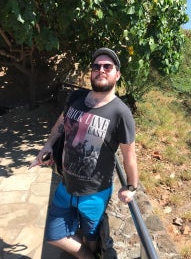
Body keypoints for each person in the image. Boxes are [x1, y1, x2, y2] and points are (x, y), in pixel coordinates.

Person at [30, 47, 139, 259]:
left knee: (91, 238)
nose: (101, 70)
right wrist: (48, 145)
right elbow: (60, 124)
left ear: (117, 74)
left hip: (95, 194)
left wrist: (131, 186)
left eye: (108, 67)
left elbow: (129, 156)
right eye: (96, 66)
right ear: (91, 72)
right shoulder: (76, 97)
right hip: (65, 185)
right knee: (54, 234)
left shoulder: (121, 113)